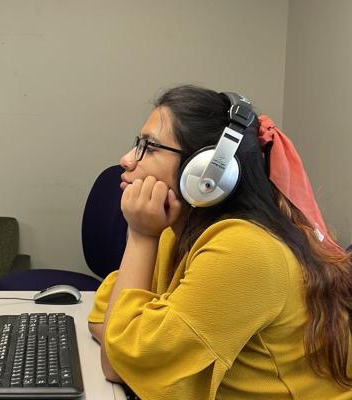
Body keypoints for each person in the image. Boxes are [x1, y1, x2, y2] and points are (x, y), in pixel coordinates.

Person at [87, 85, 352, 399]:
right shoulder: (180, 229)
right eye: (137, 143)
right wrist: (124, 335)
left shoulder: (245, 250)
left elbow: (120, 360)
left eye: (150, 146)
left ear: (208, 170)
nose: (127, 159)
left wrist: (141, 235)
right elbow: (109, 317)